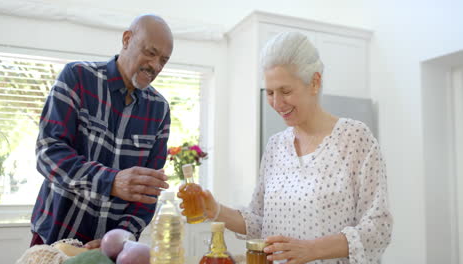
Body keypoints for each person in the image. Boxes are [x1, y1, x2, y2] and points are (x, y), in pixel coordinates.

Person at [178, 31, 392, 263]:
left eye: (286, 91)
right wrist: (216, 210)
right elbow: (261, 222)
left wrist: (312, 249)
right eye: (270, 93)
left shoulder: (354, 138)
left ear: (315, 82)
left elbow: (378, 227)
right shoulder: (275, 146)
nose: (277, 103)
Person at [31, 14, 173, 247]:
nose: (156, 66)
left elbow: (148, 192)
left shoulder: (159, 109)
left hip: (112, 249)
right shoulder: (77, 76)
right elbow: (48, 153)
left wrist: (120, 237)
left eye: (164, 60)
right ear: (127, 39)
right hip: (55, 237)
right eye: (150, 52)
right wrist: (111, 181)